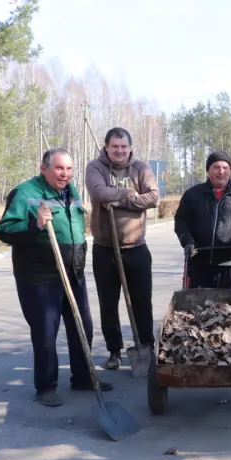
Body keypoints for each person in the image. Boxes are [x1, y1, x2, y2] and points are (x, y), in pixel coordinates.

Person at [0, 148, 112, 407]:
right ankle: (46, 387)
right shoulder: (25, 193)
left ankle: (83, 377)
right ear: (44, 168)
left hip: (73, 272)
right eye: (60, 168)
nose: (65, 174)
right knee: (46, 333)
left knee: (83, 326)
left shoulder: (71, 191)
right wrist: (34, 224)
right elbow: (4, 230)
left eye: (69, 169)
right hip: (40, 277)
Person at [86, 127, 161, 370]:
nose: (119, 151)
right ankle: (114, 351)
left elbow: (154, 198)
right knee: (108, 303)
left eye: (123, 146)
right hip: (105, 248)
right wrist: (130, 192)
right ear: (107, 147)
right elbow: (97, 192)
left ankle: (145, 347)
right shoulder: (95, 167)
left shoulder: (141, 168)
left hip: (136, 248)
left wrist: (120, 201)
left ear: (130, 148)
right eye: (115, 146)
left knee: (141, 301)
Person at [174, 150, 231, 289]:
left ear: (230, 171)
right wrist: (187, 241)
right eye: (216, 167)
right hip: (198, 265)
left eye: (225, 168)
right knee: (194, 309)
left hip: (230, 267)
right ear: (208, 170)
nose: (221, 172)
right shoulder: (193, 194)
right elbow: (181, 222)